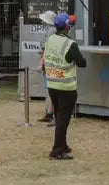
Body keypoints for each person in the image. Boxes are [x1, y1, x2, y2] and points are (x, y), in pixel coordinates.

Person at [43, 13, 87, 160]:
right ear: (67, 26)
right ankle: (57, 150)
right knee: (63, 120)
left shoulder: (50, 40)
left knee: (59, 116)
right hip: (66, 87)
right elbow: (82, 62)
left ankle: (63, 145)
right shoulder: (70, 44)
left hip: (52, 85)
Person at [37, 10, 57, 125]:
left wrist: (41, 63)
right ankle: (49, 113)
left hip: (48, 64)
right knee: (49, 90)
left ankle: (52, 114)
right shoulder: (51, 30)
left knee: (51, 90)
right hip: (49, 64)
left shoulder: (51, 31)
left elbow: (46, 49)